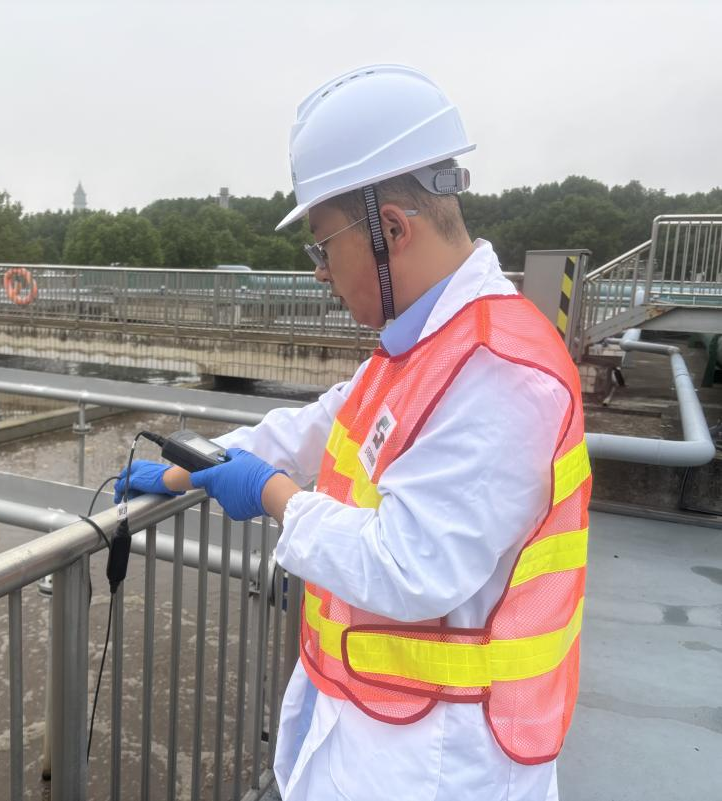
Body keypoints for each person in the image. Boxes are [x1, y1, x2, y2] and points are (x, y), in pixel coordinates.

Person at [116, 64, 590, 801]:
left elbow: (409, 564)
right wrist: (188, 470)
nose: (318, 273)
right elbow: (312, 427)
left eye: (322, 246)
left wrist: (273, 496)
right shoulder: (424, 347)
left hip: (441, 759)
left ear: (390, 229)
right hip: (379, 727)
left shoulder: (498, 370)